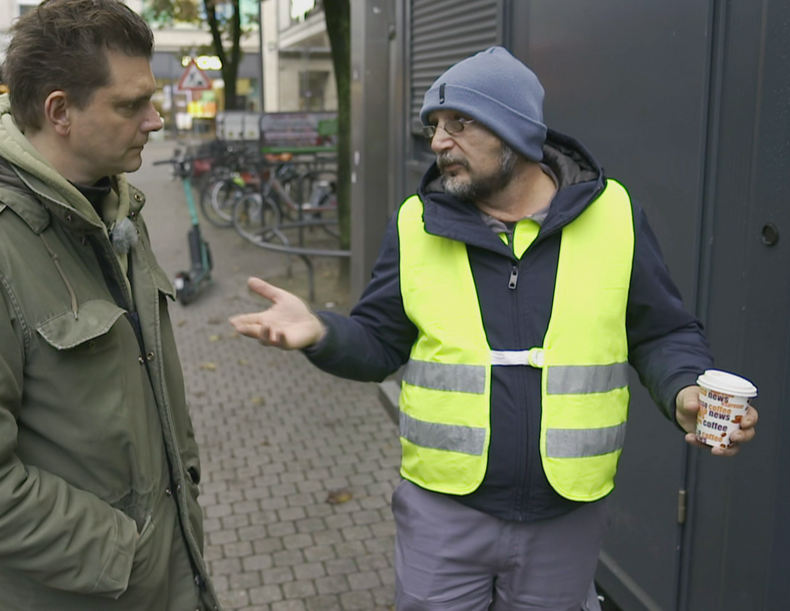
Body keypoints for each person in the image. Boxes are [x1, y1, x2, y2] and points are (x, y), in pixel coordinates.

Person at [230, 46, 759, 611]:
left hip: (566, 517)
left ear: (514, 132)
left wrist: (685, 390)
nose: (438, 142)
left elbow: (660, 331)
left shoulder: (614, 214)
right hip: (442, 514)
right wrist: (322, 333)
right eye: (434, 126)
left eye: (460, 122)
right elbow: (380, 345)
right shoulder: (416, 222)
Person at [0, 0, 218, 611]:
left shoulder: (117, 213)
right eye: (132, 104)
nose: (156, 120)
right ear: (60, 111)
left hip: (172, 578)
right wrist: (126, 552)